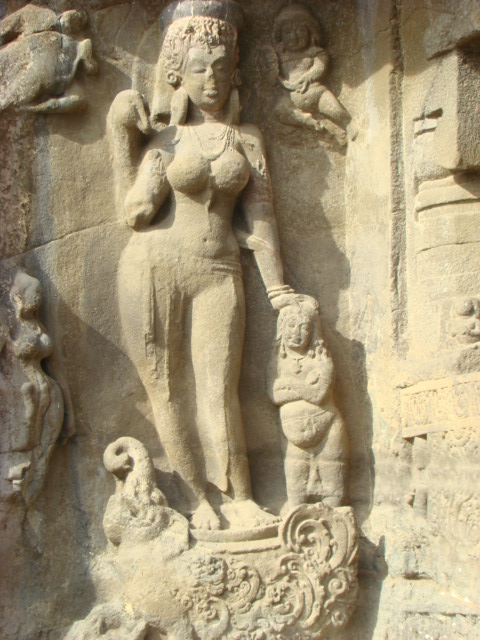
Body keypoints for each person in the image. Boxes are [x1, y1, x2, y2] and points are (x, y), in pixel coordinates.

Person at [111, 1, 297, 530]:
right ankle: (196, 498)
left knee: (219, 387)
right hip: (155, 267)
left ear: (233, 70)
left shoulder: (248, 138)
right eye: (199, 68)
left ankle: (239, 496)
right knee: (167, 388)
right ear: (177, 74)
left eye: (219, 67)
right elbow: (134, 212)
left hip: (220, 269)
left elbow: (261, 218)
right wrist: (123, 140)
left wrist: (278, 289)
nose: (210, 79)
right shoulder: (164, 141)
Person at [267, 296, 348, 507]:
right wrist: (305, 386)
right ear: (282, 329)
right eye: (291, 326)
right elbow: (274, 395)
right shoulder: (278, 362)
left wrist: (288, 385)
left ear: (313, 331)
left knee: (333, 493)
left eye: (303, 327)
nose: (296, 333)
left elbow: (319, 395)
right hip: (294, 436)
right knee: (295, 496)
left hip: (328, 427)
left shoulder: (321, 359)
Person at [272, 4, 350, 145]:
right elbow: (272, 74)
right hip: (292, 99)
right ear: (281, 38)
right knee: (279, 111)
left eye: (300, 30)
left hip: (316, 93)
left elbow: (321, 66)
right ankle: (308, 121)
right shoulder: (280, 58)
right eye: (288, 32)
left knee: (334, 108)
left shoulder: (315, 53)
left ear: (311, 32)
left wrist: (308, 76)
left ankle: (349, 124)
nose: (294, 36)